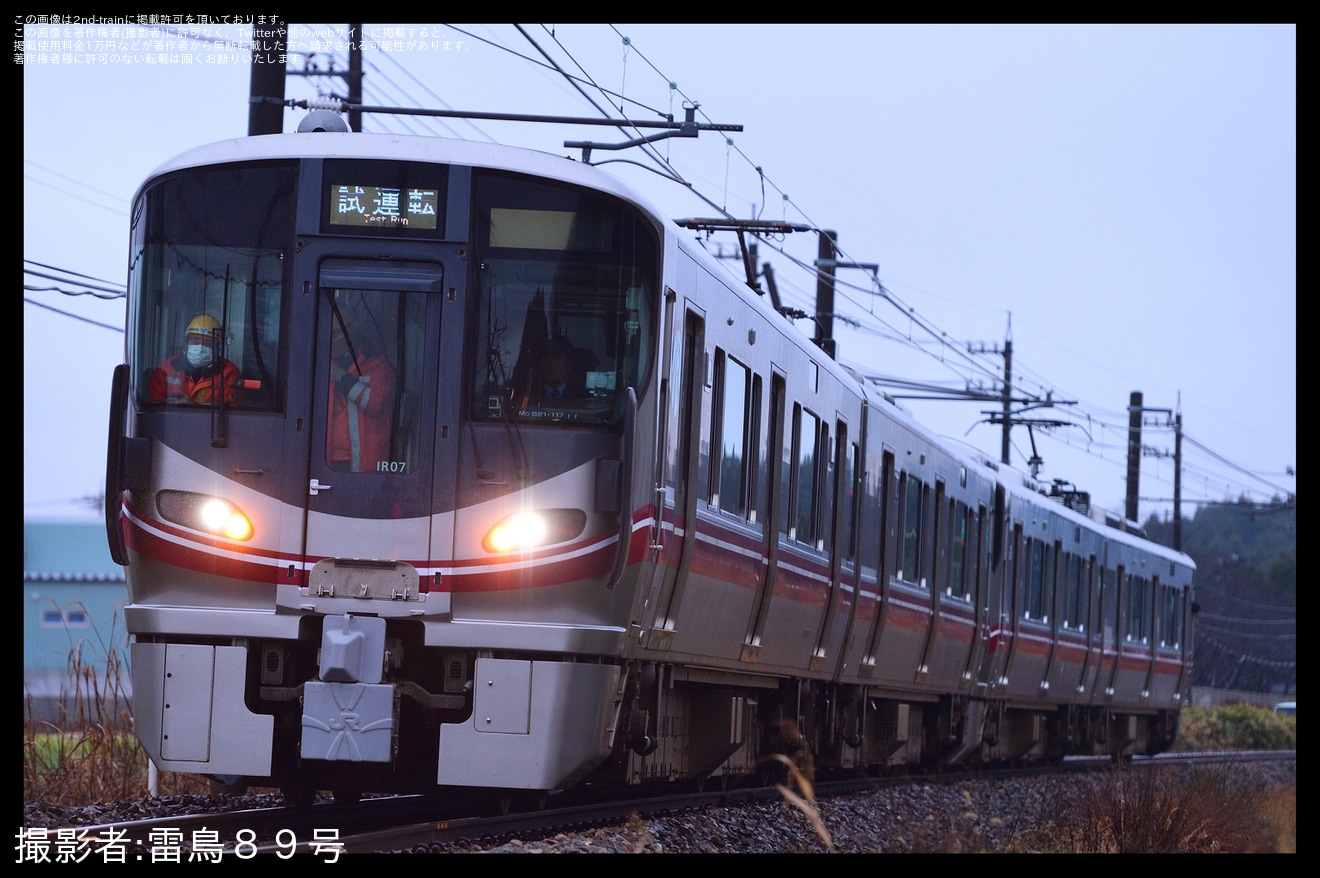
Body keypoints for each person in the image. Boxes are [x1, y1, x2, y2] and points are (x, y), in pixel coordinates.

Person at [327, 308, 396, 472]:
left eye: (335, 336)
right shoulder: (322, 363)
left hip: (363, 461)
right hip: (326, 460)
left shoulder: (377, 364)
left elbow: (376, 403)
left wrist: (344, 379)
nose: (331, 343)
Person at [149, 314, 242, 405]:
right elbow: (155, 408)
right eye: (195, 341)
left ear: (218, 348)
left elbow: (231, 414)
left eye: (208, 343)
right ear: (186, 344)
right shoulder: (166, 369)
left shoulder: (229, 373)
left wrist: (193, 406)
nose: (200, 347)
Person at [532, 336, 588, 401]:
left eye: (557, 360)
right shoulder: (529, 395)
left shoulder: (582, 397)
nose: (551, 365)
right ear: (539, 366)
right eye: (546, 360)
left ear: (569, 365)